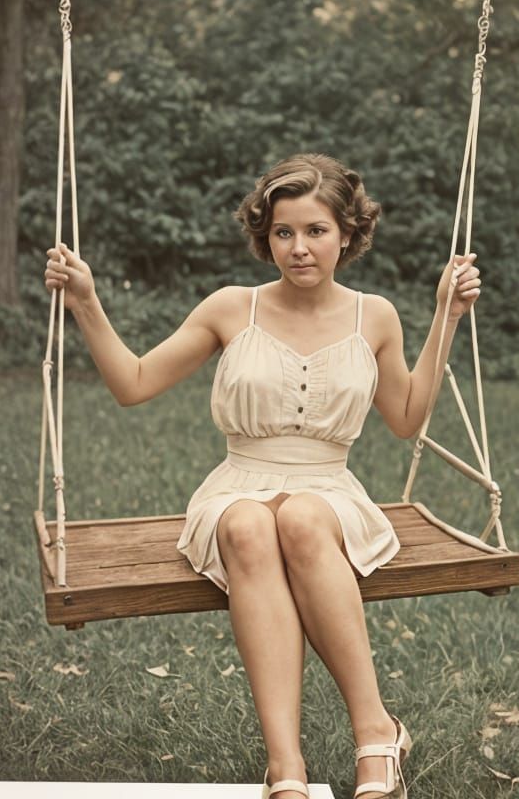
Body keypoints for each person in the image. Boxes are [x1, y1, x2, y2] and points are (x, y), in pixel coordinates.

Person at [44, 153, 481, 799]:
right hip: (238, 484)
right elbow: (133, 384)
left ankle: (376, 732)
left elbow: (407, 419)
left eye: (316, 231)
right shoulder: (232, 308)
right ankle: (286, 768)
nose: (299, 248)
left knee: (301, 517)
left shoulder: (375, 317)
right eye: (284, 232)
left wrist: (445, 314)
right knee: (249, 524)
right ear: (265, 235)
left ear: (348, 234)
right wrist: (86, 303)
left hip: (329, 492)